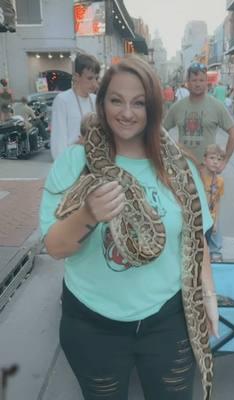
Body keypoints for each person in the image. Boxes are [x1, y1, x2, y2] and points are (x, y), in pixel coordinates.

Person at [40, 56, 219, 400]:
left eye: (139, 102)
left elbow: (195, 238)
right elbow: (55, 247)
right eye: (116, 100)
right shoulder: (75, 163)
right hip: (92, 326)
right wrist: (88, 214)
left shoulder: (178, 166)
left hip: (168, 320)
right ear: (101, 100)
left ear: (153, 107)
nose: (127, 112)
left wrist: (207, 295)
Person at [163, 62, 234, 168]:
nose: (197, 84)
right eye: (194, 80)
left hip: (207, 169)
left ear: (206, 82)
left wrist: (225, 161)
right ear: (187, 83)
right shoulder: (177, 107)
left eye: (201, 80)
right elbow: (160, 132)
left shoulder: (216, 106)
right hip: (183, 168)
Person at [50, 52, 100, 160]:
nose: (95, 84)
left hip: (94, 163)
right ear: (77, 77)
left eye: (96, 78)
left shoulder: (95, 100)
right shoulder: (62, 100)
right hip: (71, 163)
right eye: (90, 78)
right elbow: (58, 142)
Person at [201, 144, 225, 262]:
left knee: (212, 238)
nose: (216, 162)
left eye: (219, 159)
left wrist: (215, 222)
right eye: (212, 158)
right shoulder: (198, 177)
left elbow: (217, 201)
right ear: (204, 160)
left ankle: (214, 255)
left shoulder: (219, 181)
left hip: (210, 216)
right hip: (198, 216)